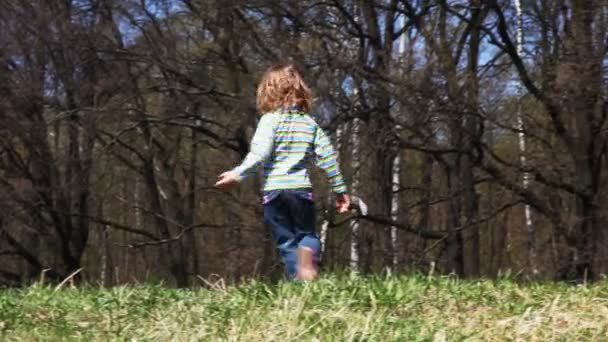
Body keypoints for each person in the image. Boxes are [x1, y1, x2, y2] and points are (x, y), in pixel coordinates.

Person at [214, 63, 350, 281]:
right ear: (301, 92)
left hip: (273, 192)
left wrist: (238, 174)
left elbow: (259, 154)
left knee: (286, 242)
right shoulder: (310, 124)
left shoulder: (269, 121)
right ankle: (307, 258)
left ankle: (297, 283)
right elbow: (328, 158)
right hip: (300, 191)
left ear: (267, 93)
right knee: (307, 236)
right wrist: (340, 190)